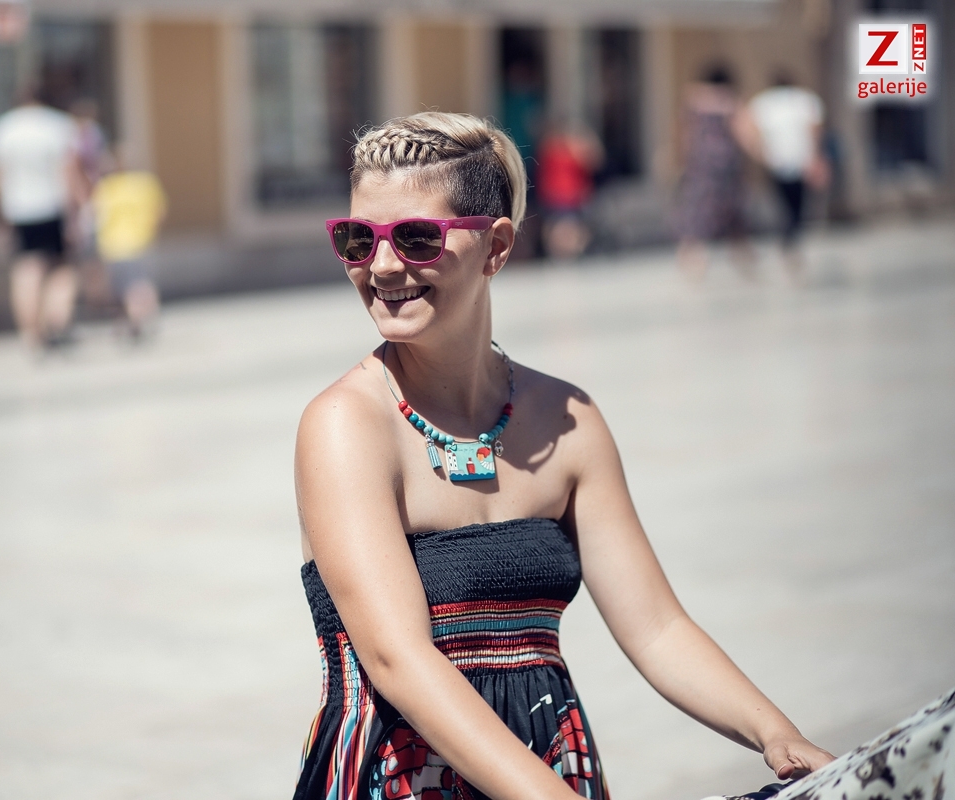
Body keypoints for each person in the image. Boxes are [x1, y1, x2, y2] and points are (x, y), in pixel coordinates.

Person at [293, 112, 834, 800]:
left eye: (417, 237)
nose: (383, 266)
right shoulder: (344, 426)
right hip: (401, 779)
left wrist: (775, 732)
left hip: (550, 765)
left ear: (495, 246)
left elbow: (657, 627)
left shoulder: (568, 420)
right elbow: (399, 660)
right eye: (357, 239)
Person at [0, 88, 83, 351]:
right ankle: (57, 321)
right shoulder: (58, 125)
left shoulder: (2, 129)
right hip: (53, 207)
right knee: (61, 268)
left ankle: (31, 334)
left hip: (18, 209)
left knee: (26, 270)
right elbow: (70, 172)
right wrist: (75, 212)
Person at [743, 72, 826, 276]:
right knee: (796, 206)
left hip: (777, 161)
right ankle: (790, 242)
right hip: (799, 161)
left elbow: (749, 129)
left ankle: (788, 242)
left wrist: (759, 153)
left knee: (784, 205)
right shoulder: (804, 100)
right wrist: (816, 157)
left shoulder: (764, 103)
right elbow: (815, 130)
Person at [675, 65, 751, 280]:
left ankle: (693, 256)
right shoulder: (729, 101)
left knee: (697, 212)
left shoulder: (694, 101)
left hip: (700, 165)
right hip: (726, 165)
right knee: (733, 212)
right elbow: (742, 131)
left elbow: (684, 133)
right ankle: (742, 256)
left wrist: (682, 158)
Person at [91, 149, 167, 341]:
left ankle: (130, 320)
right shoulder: (146, 183)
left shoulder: (106, 187)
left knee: (121, 288)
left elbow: (96, 215)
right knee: (140, 283)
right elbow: (159, 212)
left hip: (113, 246)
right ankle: (142, 317)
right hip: (140, 242)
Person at [536, 120, 603, 259]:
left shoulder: (549, 147)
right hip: (566, 197)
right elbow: (593, 161)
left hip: (556, 196)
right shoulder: (568, 149)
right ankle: (566, 253)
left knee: (562, 227)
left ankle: (562, 253)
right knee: (566, 228)